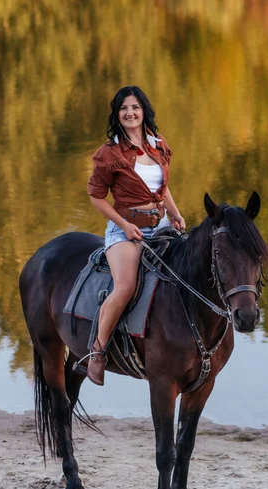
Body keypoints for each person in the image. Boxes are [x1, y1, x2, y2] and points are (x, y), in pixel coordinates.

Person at [87, 86, 186, 386]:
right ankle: (97, 351)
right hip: (125, 229)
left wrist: (177, 214)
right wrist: (125, 225)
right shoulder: (110, 153)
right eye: (123, 108)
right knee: (126, 286)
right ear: (117, 115)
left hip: (161, 224)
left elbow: (162, 189)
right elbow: (96, 197)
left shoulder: (159, 145)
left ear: (144, 111)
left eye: (135, 107)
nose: (130, 112)